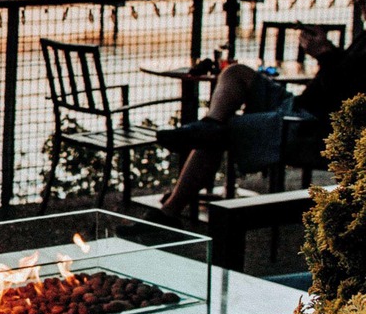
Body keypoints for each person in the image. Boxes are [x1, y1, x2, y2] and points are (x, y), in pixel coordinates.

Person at [152, 26, 366, 224]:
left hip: (312, 125)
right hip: (298, 106)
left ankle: (170, 210)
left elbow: (345, 94)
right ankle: (210, 123)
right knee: (235, 73)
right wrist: (329, 53)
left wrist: (325, 53)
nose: (359, 3)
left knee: (217, 135)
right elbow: (342, 75)